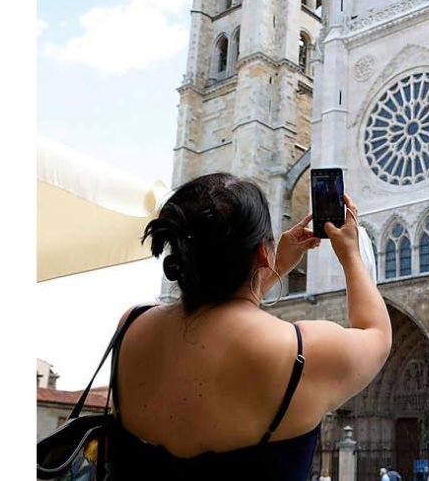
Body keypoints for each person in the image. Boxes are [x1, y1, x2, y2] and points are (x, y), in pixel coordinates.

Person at [108, 172, 393, 480]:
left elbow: (217, 311)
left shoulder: (131, 326)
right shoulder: (300, 354)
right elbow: (376, 334)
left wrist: (273, 265)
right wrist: (350, 253)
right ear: (261, 251)